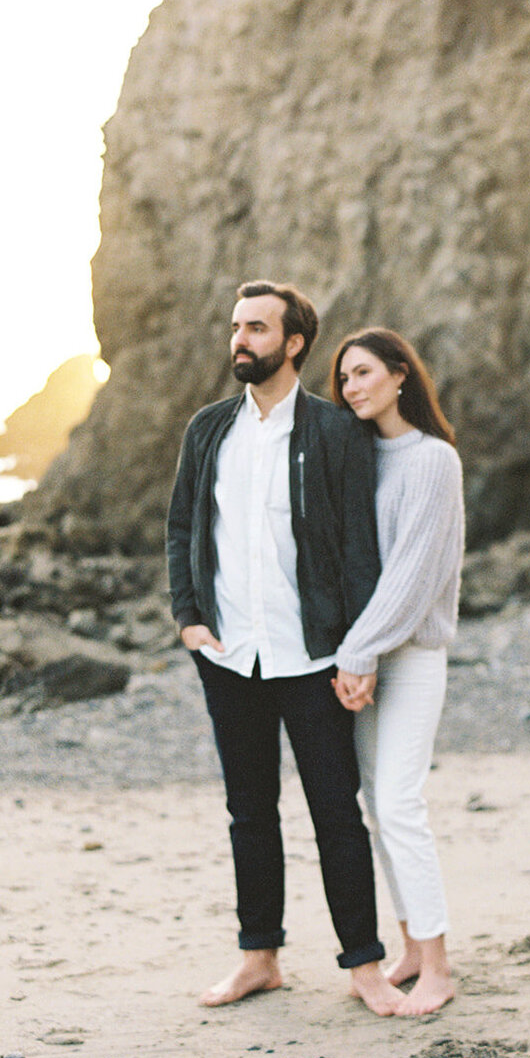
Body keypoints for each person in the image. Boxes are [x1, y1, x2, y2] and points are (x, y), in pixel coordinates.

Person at [167, 281, 408, 1015]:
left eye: (257, 328)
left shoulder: (336, 432)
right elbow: (182, 529)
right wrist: (189, 620)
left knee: (337, 810)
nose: (241, 339)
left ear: (293, 341)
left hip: (313, 657)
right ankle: (259, 956)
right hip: (230, 655)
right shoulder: (208, 429)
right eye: (237, 326)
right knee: (250, 810)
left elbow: (360, 549)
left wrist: (358, 651)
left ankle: (364, 966)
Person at [330, 327, 465, 1016]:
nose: (351, 386)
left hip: (407, 659)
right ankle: (411, 945)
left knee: (402, 805)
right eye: (344, 377)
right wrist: (357, 654)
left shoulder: (433, 460)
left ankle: (438, 967)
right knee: (378, 808)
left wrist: (357, 653)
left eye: (363, 372)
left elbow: (412, 576)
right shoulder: (357, 457)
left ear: (400, 374)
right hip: (368, 658)